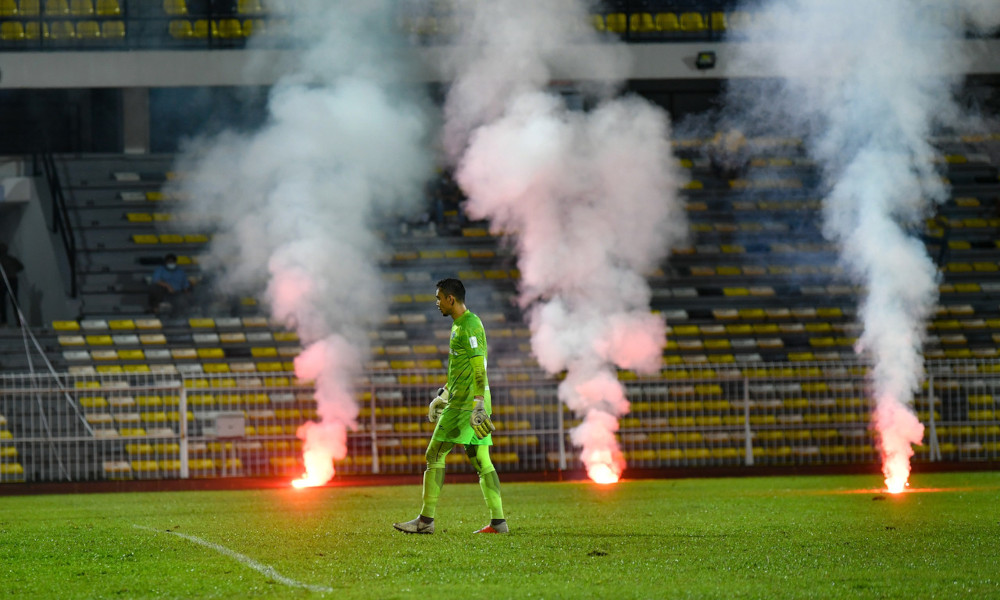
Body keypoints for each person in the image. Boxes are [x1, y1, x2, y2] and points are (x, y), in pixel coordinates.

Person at [393, 278, 507, 534]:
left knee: (434, 455)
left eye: (438, 298)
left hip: (466, 404)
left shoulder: (469, 325)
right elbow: (461, 369)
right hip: (465, 400)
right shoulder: (460, 325)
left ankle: (425, 521)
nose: (436, 303)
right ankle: (499, 522)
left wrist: (477, 404)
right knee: (481, 460)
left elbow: (479, 368)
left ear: (450, 299)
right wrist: (443, 395)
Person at [0, 243, 24, 326]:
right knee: (14, 301)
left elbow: (20, 267)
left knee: (2, 301)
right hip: (12, 279)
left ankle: (4, 321)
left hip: (4, 280)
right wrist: (13, 271)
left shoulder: (3, 259)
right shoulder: (11, 259)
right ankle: (19, 321)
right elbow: (20, 267)